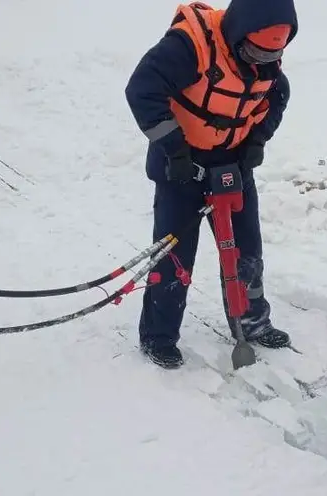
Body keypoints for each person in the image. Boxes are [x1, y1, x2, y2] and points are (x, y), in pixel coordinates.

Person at [124, 0, 298, 369]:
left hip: (232, 164)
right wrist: (175, 149)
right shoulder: (190, 45)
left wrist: (257, 141)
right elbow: (142, 90)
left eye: (273, 53)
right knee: (174, 256)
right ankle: (159, 336)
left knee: (246, 250)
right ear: (238, 33)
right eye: (254, 51)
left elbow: (277, 95)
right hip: (180, 166)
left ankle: (252, 322)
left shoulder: (265, 61)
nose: (261, 61)